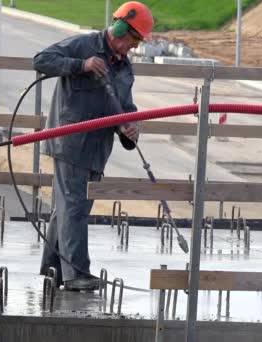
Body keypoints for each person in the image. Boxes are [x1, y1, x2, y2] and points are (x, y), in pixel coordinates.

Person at [33, 1, 154, 292]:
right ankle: (77, 274)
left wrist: (129, 129)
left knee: (69, 208)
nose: (135, 47)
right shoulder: (83, 45)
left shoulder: (125, 69)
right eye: (134, 40)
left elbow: (125, 107)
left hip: (97, 150)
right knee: (73, 207)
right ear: (122, 29)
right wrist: (80, 65)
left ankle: (53, 267)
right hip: (70, 142)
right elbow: (41, 60)